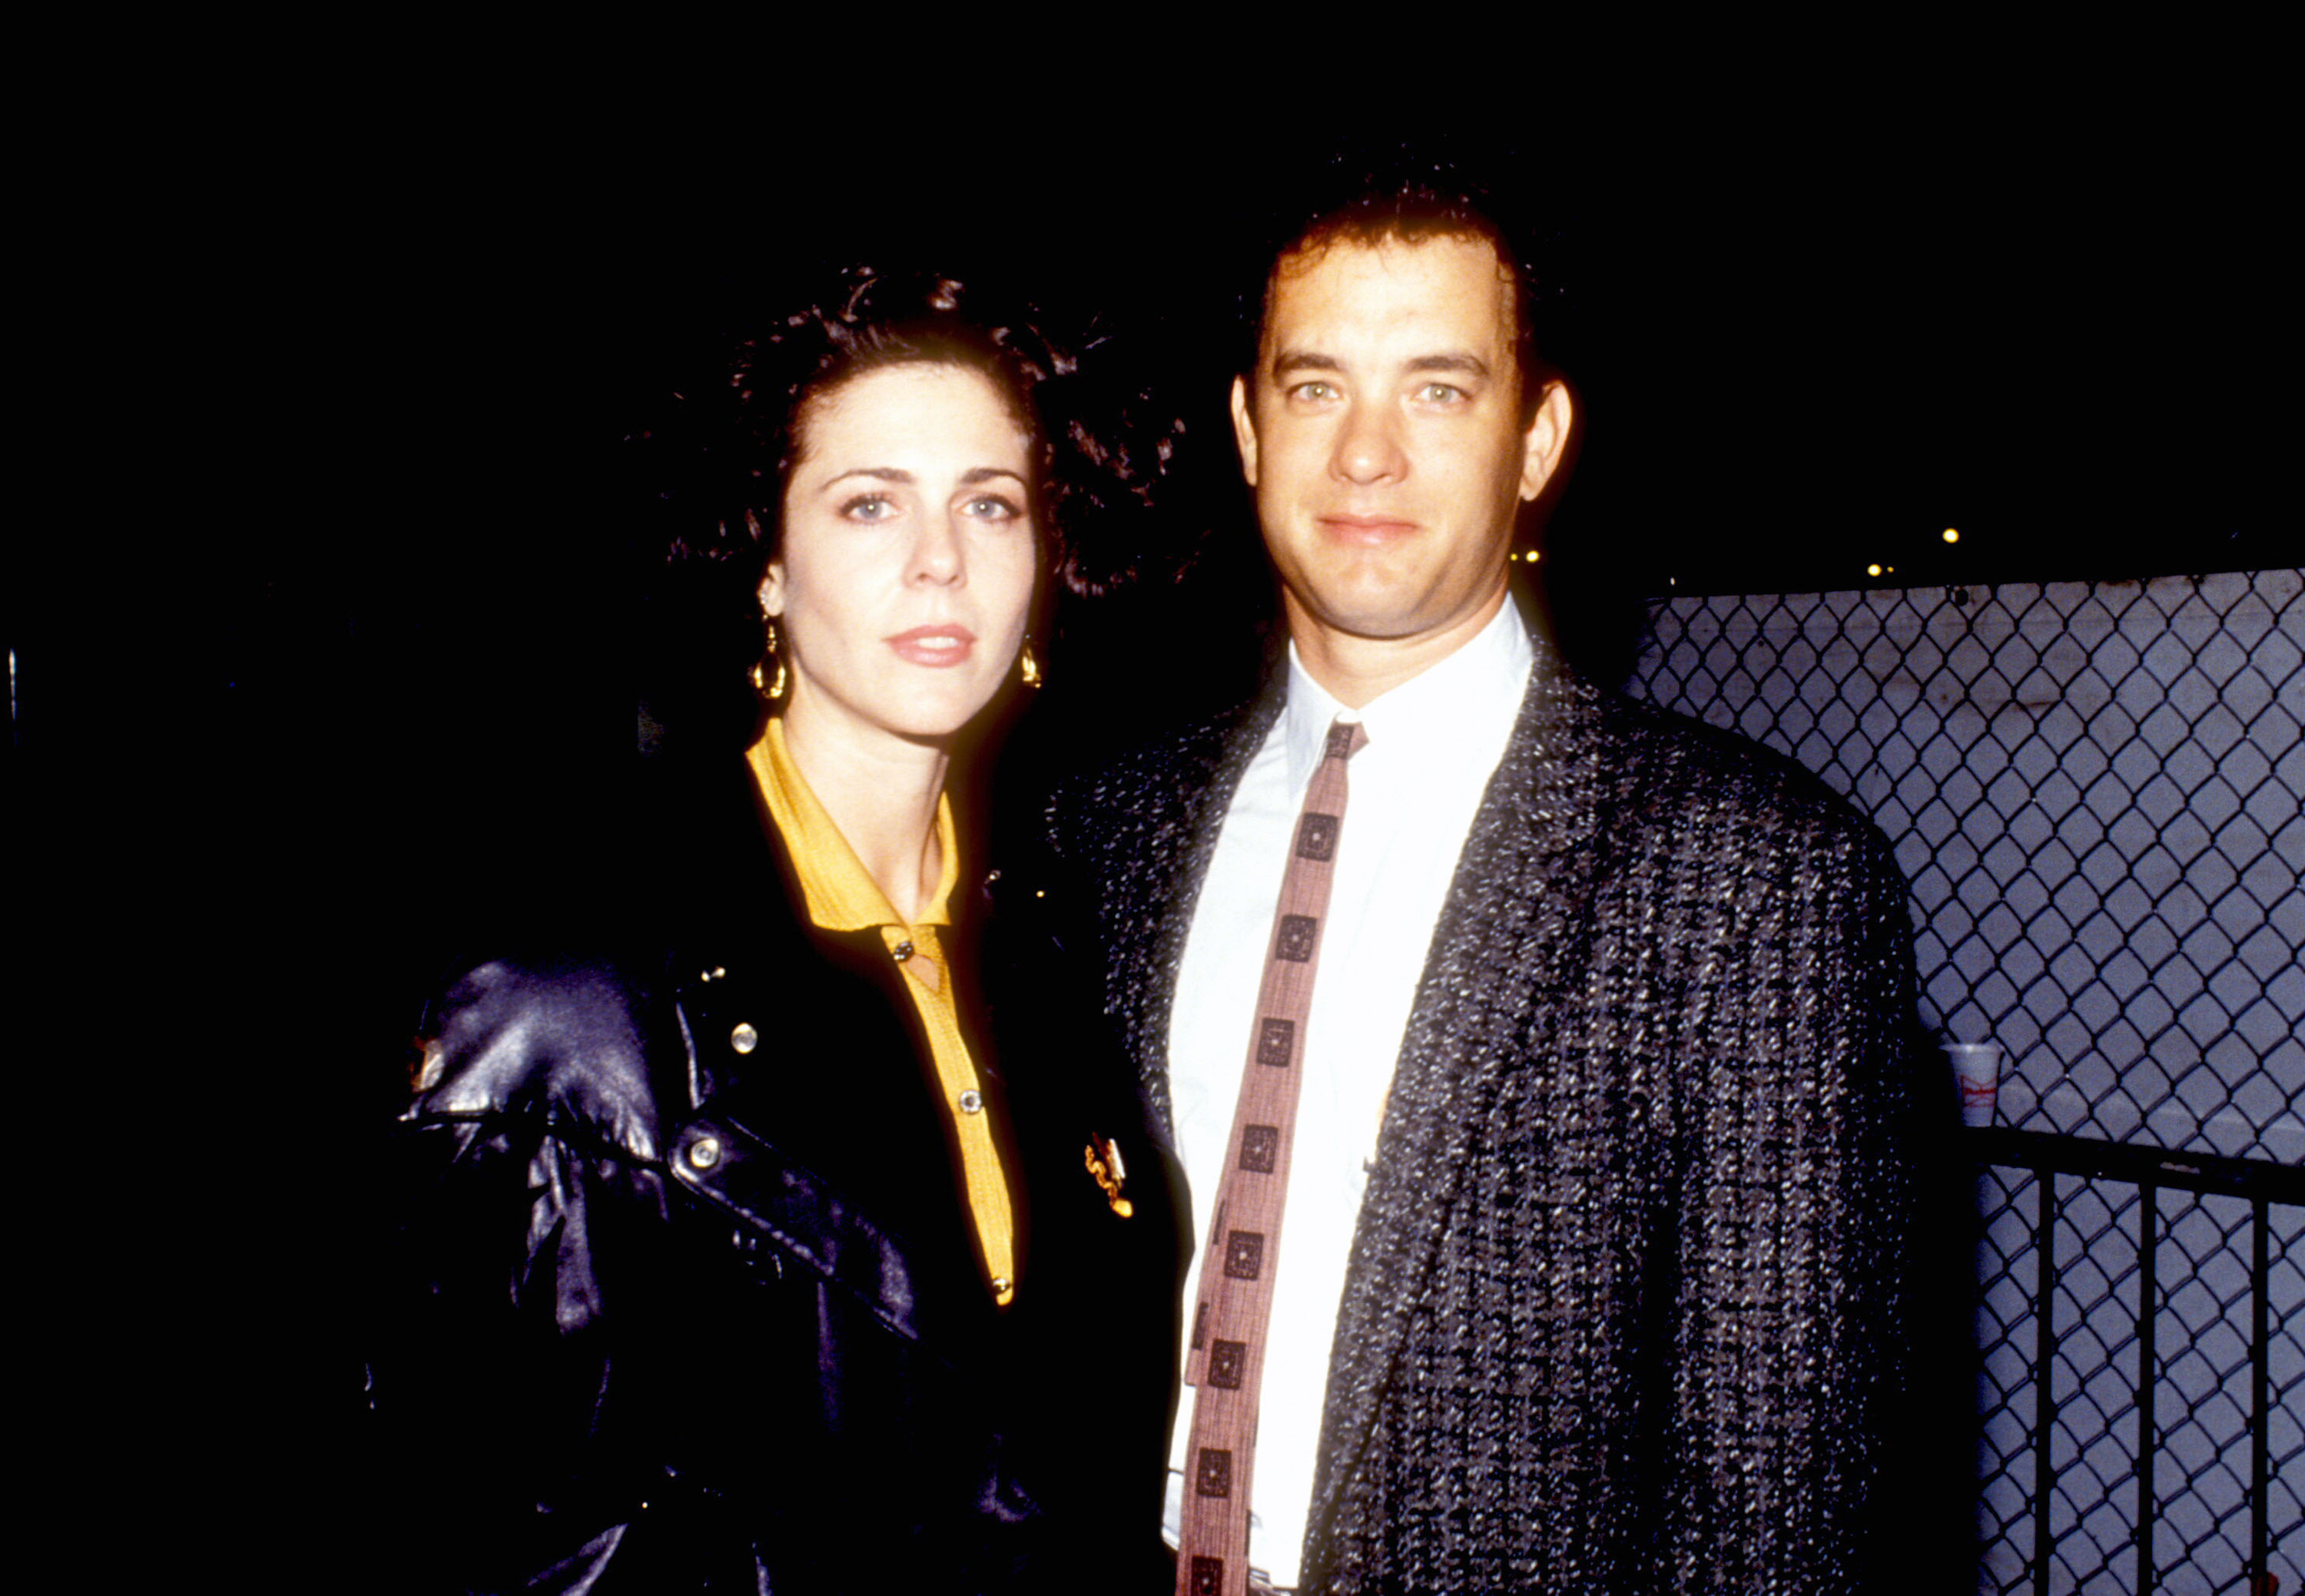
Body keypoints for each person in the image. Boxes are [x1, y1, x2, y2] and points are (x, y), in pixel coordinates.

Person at [1043, 168, 1924, 1593]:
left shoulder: (1756, 880)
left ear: (1538, 437)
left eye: (1440, 390)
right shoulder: (1106, 830)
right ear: (1247, 429)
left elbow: (1779, 1522)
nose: (1369, 456)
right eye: (1317, 388)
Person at [367, 267, 1186, 1594]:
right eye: (870, 504)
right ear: (766, 563)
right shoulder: (572, 1002)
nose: (942, 559)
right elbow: (503, 1534)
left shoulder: (1062, 951)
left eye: (992, 504)